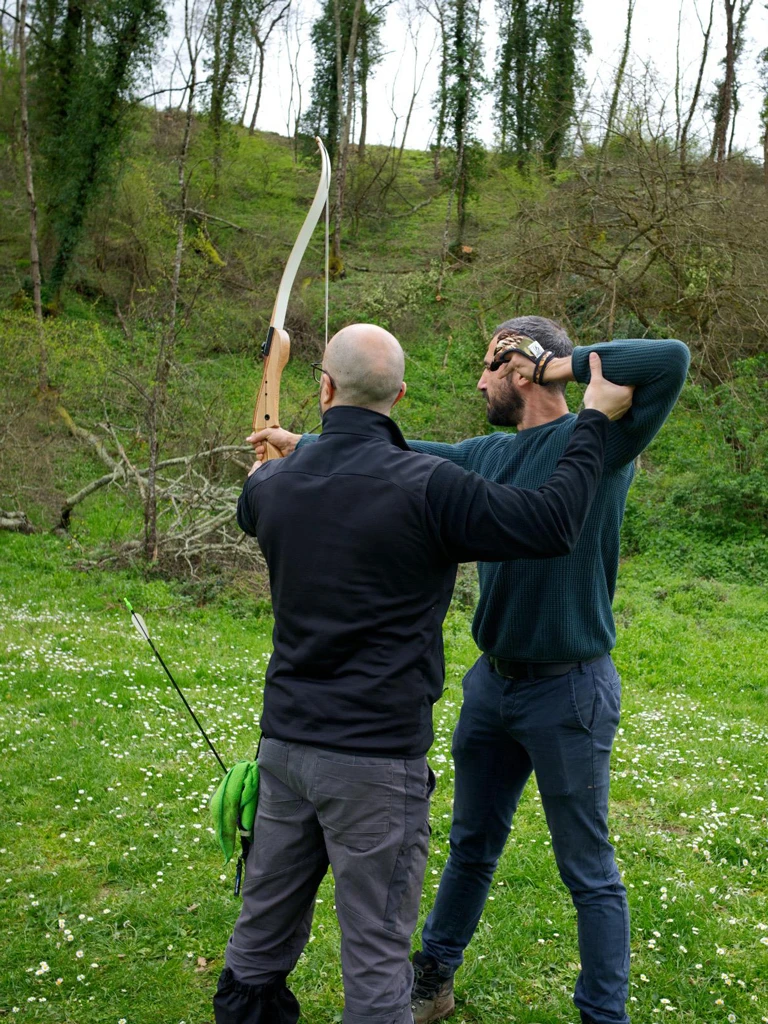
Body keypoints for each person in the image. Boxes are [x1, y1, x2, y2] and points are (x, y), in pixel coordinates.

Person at [250, 318, 690, 1024]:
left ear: (520, 366)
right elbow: (412, 454)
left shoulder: (601, 440)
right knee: (472, 845)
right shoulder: (485, 456)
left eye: (489, 366)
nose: (480, 383)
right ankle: (434, 979)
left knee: (588, 870)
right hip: (494, 685)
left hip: (569, 688)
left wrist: (557, 366)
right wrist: (304, 444)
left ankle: (603, 1016)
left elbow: (668, 357)